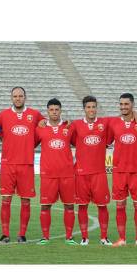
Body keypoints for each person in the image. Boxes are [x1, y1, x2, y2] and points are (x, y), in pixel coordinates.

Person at [0, 87, 46, 243]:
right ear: (11, 98)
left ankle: (22, 234)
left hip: (26, 164)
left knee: (26, 200)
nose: (17, 99)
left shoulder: (35, 114)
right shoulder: (3, 115)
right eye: (15, 96)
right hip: (8, 164)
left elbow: (46, 125)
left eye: (20, 96)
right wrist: (3, 137)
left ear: (26, 98)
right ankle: (5, 234)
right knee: (6, 198)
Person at [106, 93, 137, 247]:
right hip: (118, 171)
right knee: (120, 205)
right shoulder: (113, 122)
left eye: (126, 104)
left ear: (133, 105)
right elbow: (107, 140)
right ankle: (121, 239)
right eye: (121, 104)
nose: (123, 107)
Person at [70, 96, 113, 245]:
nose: (91, 110)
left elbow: (121, 118)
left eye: (93, 107)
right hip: (81, 173)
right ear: (83, 109)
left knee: (103, 206)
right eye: (88, 107)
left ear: (97, 108)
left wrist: (135, 115)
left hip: (99, 173)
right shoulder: (75, 124)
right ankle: (84, 237)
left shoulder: (105, 122)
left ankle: (104, 237)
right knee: (82, 206)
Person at [35, 98, 78, 245]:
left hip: (67, 174)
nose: (54, 112)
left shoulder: (69, 126)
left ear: (61, 111)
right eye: (51, 110)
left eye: (57, 110)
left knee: (69, 205)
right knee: (45, 206)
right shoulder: (40, 127)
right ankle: (45, 237)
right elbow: (30, 143)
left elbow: (80, 142)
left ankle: (69, 237)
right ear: (47, 112)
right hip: (48, 174)